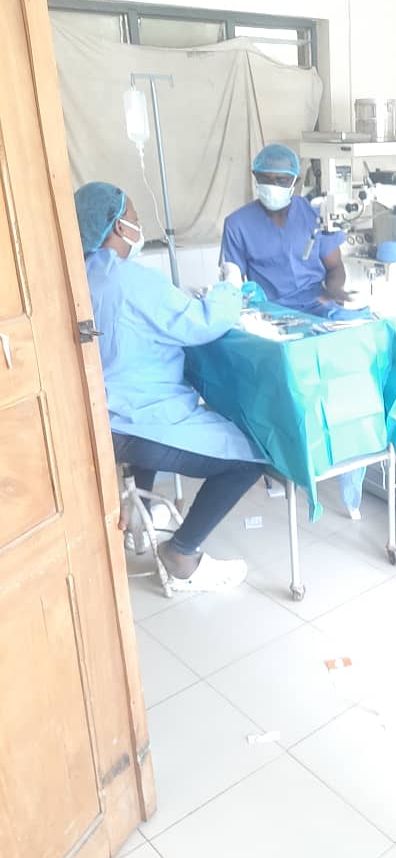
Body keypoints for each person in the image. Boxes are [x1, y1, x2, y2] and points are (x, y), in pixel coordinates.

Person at [74, 181, 263, 593]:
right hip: (139, 418)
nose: (138, 227)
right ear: (117, 226)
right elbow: (202, 324)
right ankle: (182, 553)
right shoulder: (131, 280)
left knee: (157, 427)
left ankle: (137, 521)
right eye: (135, 219)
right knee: (249, 457)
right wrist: (230, 288)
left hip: (101, 415)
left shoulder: (77, 277)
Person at [220, 143, 370, 320]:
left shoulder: (315, 216)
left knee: (366, 327)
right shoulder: (237, 224)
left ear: (295, 181)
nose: (273, 186)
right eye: (265, 179)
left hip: (317, 306)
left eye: (281, 180)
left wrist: (334, 289)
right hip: (269, 313)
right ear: (255, 176)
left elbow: (335, 267)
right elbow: (233, 281)